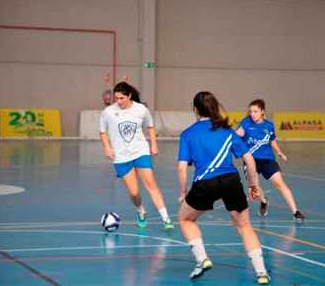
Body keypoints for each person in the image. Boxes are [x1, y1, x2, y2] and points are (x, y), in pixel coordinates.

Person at [177, 91, 271, 285]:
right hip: (230, 181)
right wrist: (254, 186)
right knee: (245, 226)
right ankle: (262, 273)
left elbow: (181, 168)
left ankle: (202, 259)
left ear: (195, 110)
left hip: (204, 183)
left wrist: (183, 193)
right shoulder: (228, 132)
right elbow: (249, 159)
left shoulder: (188, 134)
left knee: (185, 219)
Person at [100, 81, 174, 229]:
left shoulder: (141, 109)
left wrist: (153, 144)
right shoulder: (108, 112)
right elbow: (103, 132)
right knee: (134, 193)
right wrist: (107, 148)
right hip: (121, 157)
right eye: (116, 98)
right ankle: (140, 211)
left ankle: (166, 219)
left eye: (122, 98)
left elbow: (150, 126)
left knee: (151, 185)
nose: (118, 101)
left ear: (129, 96)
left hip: (140, 151)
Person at [236, 99, 305, 222]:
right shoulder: (246, 123)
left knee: (280, 183)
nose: (252, 114)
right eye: (251, 111)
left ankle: (295, 211)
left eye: (255, 111)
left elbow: (272, 140)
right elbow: (239, 133)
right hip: (251, 161)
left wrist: (279, 152)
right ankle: (263, 201)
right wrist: (233, 134)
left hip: (267, 159)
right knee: (255, 187)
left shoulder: (269, 125)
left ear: (262, 111)